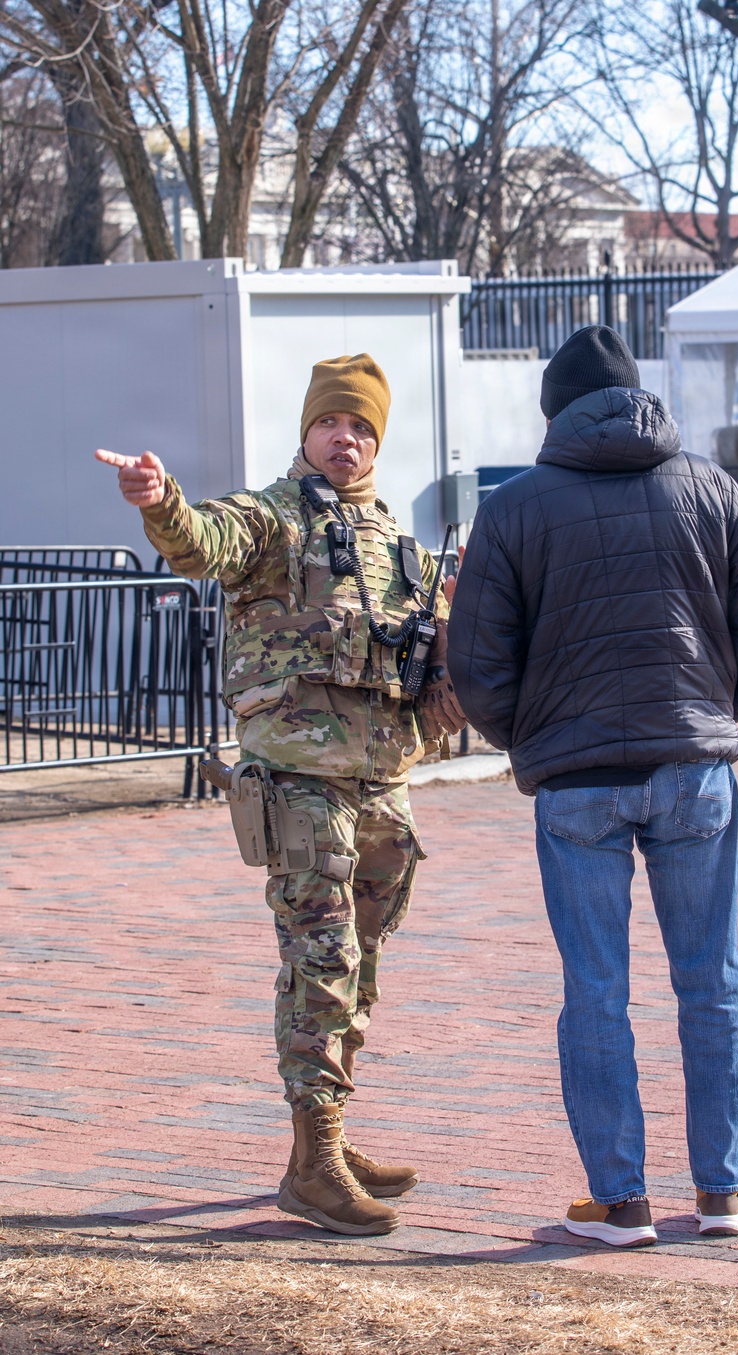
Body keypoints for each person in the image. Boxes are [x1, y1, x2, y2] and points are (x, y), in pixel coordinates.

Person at [96, 354, 465, 1238]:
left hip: (383, 782)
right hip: (301, 781)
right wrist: (160, 500)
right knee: (321, 960)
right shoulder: (273, 518)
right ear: (307, 431)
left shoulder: (396, 542)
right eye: (335, 422)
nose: (349, 437)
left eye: (364, 426)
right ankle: (314, 1162)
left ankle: (329, 1130)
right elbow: (201, 539)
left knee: (360, 965)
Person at [447, 326, 738, 1248]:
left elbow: (476, 664)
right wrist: (715, 712)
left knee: (595, 989)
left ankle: (621, 1198)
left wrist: (531, 738)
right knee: (711, 979)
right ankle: (724, 1189)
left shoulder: (514, 508)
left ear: (554, 410)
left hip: (577, 782)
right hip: (695, 770)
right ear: (639, 397)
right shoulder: (712, 488)